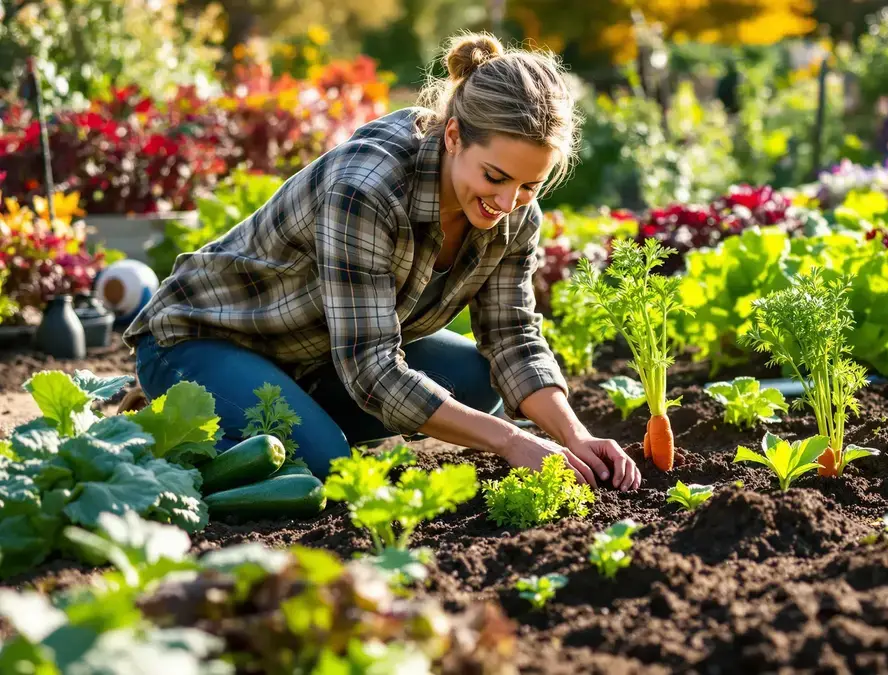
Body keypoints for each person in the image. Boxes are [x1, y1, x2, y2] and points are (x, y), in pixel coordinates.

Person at [122, 32, 642, 492]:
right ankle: (169, 416)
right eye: (496, 177)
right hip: (204, 339)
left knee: (482, 380)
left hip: (320, 355)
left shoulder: (514, 216)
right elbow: (372, 369)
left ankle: (297, 419)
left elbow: (512, 337)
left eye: (530, 185)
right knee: (326, 467)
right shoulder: (368, 189)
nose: (508, 204)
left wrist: (576, 435)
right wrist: (511, 442)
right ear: (454, 136)